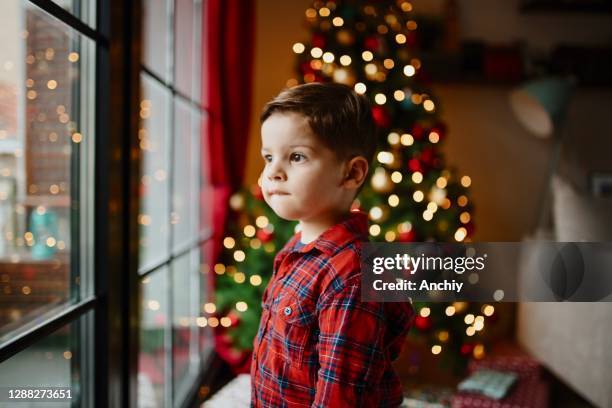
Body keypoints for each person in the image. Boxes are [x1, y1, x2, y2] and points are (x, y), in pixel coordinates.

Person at [250, 82, 415, 407]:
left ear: (351, 173)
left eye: (296, 157)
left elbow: (340, 397)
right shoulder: (298, 247)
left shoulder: (352, 276)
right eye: (269, 157)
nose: (273, 172)